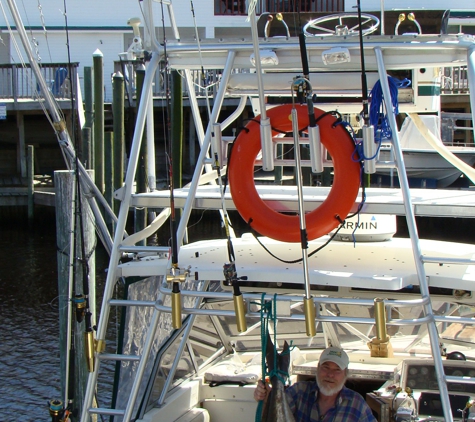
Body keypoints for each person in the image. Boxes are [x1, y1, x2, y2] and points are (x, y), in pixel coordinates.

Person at [254, 346, 377, 422]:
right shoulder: (299, 391)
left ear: (345, 374)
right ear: (317, 368)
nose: (330, 374)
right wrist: (265, 396)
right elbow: (275, 410)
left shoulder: (357, 404)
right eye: (326, 367)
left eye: (337, 370)